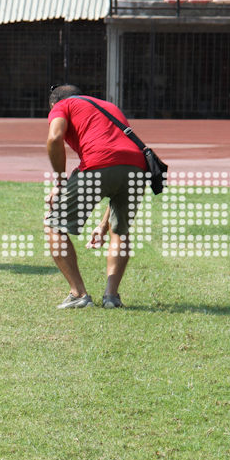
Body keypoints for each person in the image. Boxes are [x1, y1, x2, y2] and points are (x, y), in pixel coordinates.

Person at [44, 84, 147, 309]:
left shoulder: (61, 105)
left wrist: (60, 181)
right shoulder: (109, 107)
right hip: (137, 167)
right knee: (119, 230)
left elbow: (54, 138)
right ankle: (111, 296)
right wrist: (102, 226)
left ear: (53, 103)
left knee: (54, 226)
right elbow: (117, 169)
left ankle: (78, 294)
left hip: (99, 164)